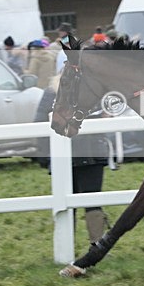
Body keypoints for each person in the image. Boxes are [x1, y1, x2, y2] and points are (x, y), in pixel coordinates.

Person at [35, 76, 112, 245]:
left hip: (74, 154)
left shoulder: (52, 93)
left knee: (70, 201)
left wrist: (44, 157)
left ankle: (68, 244)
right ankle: (96, 244)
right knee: (91, 200)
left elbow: (39, 122)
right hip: (89, 154)